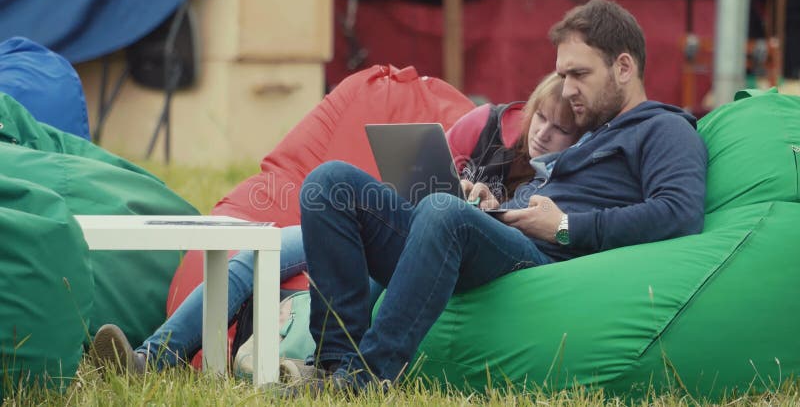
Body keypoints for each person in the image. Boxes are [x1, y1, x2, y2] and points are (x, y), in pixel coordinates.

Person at [292, 0, 707, 395]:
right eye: (562, 76)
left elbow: (680, 212)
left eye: (579, 75)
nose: (566, 90)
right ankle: (335, 368)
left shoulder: (664, 129)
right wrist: (489, 205)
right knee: (330, 184)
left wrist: (563, 227)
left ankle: (370, 378)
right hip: (498, 237)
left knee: (443, 213)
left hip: (544, 263)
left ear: (623, 67)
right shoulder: (592, 131)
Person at [90, 72, 582, 374]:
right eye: (540, 117)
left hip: (439, 251)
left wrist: (490, 206)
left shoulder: (569, 174)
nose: (542, 133)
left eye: (560, 130)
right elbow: (428, 169)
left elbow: (541, 236)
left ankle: (324, 367)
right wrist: (458, 185)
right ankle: (152, 356)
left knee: (367, 274)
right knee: (254, 258)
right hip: (402, 220)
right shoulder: (489, 124)